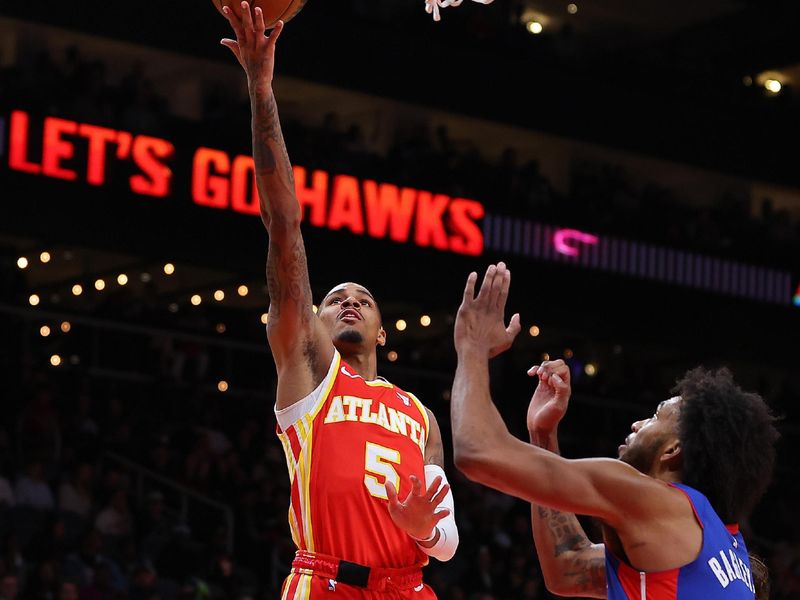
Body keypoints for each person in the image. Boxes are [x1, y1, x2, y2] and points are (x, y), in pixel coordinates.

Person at [219, 3, 458, 597]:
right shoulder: (305, 370)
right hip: (324, 582)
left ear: (382, 332)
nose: (349, 301)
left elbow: (449, 539)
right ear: (314, 324)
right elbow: (283, 226)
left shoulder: (419, 413)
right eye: (333, 298)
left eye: (363, 298)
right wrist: (260, 87)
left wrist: (425, 532)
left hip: (409, 585)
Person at [450, 262, 779, 599]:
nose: (637, 424)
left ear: (672, 450)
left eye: (655, 417)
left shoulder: (653, 500)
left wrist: (472, 347)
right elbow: (568, 566)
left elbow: (478, 451)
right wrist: (543, 436)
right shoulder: (729, 547)